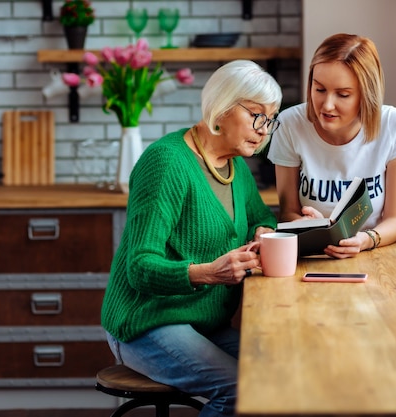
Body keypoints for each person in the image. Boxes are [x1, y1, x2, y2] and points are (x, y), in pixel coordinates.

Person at [101, 59, 282, 417]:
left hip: (204, 322)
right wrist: (209, 273)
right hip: (147, 322)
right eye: (256, 116)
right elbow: (139, 267)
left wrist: (263, 232)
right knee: (238, 391)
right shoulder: (166, 163)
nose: (264, 130)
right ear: (222, 106)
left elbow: (260, 217)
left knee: (275, 375)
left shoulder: (236, 166)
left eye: (270, 119)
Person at [268, 33, 396, 258]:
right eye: (319, 89)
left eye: (343, 94)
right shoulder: (290, 124)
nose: (327, 105)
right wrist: (303, 225)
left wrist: (364, 240)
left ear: (366, 95)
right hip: (313, 258)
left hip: (373, 255)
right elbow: (288, 212)